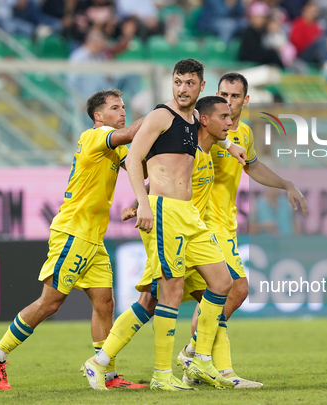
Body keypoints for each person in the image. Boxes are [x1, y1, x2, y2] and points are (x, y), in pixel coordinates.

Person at [81, 59, 235, 391]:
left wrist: (230, 144)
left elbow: (182, 160)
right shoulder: (160, 115)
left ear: (201, 87)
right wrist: (144, 204)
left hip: (189, 214)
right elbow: (135, 158)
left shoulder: (194, 120)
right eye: (177, 82)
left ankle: (200, 358)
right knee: (170, 292)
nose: (182, 88)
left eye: (189, 83)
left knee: (223, 283)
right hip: (165, 213)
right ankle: (161, 375)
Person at [0, 89, 147, 390]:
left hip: (93, 238)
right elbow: (130, 136)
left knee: (105, 303)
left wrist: (141, 198)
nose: (123, 113)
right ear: (99, 116)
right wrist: (163, 115)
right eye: (115, 108)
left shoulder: (116, 146)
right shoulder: (95, 137)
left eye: (123, 107)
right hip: (73, 232)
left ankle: (106, 375)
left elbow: (140, 168)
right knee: (51, 302)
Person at [176, 72, 308, 384]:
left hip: (225, 225)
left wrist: (286, 183)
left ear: (246, 101)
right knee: (235, 289)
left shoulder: (243, 133)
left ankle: (200, 363)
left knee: (207, 298)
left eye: (235, 96)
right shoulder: (199, 127)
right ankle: (198, 356)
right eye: (224, 94)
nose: (229, 101)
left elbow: (253, 166)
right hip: (201, 224)